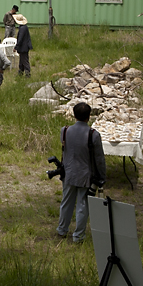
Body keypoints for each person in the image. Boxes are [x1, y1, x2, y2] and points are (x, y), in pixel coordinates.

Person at [56, 102, 106, 243]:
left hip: (69, 172)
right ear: (89, 117)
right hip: (85, 175)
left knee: (66, 202)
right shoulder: (93, 135)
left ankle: (62, 229)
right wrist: (102, 176)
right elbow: (99, 159)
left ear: (74, 115)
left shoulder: (64, 131)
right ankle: (78, 236)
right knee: (82, 205)